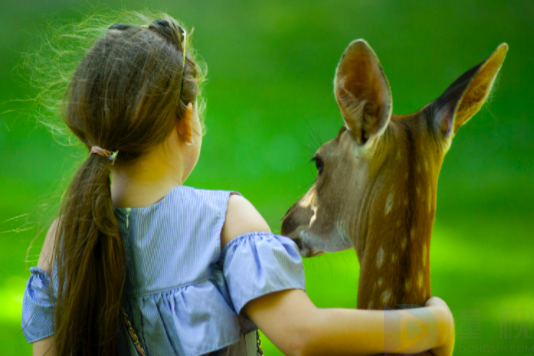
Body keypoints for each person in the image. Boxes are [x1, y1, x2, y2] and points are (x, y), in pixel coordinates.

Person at [21, 12, 455, 356]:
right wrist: (432, 324)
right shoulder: (223, 220)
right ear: (186, 122)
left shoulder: (65, 236)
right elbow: (303, 336)